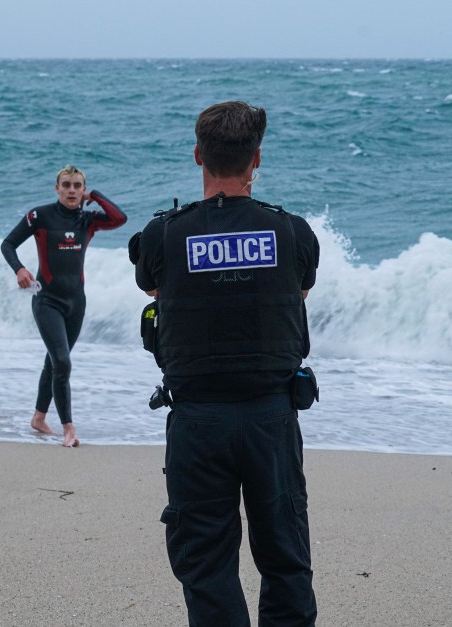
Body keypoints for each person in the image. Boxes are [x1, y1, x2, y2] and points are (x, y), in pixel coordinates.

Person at [133, 101, 319, 626]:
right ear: (255, 160)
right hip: (271, 419)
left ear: (198, 156)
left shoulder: (163, 234)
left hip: (199, 423)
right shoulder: (293, 233)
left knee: (206, 566)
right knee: (286, 559)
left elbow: (153, 286)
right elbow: (298, 290)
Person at [1, 165, 127, 447]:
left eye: (78, 186)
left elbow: (120, 218)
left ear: (83, 191)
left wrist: (96, 196)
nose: (72, 190)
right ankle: (68, 428)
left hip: (76, 303)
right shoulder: (40, 216)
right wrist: (19, 269)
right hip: (47, 301)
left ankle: (38, 417)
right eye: (67, 185)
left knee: (55, 361)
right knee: (62, 362)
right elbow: (8, 244)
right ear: (57, 188)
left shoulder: (88, 220)